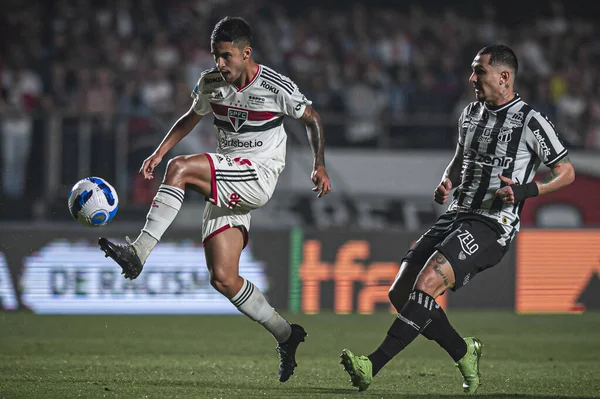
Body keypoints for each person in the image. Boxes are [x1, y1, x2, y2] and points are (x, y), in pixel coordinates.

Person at [99, 16, 331, 382]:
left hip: (257, 173)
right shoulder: (210, 83)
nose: (219, 64)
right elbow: (192, 116)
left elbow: (312, 118)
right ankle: (287, 335)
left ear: (246, 53)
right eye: (214, 56)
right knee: (223, 278)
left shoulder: (275, 86)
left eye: (225, 56)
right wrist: (158, 152)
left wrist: (319, 164)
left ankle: (139, 251)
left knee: (180, 168)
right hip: (228, 172)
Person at [340, 45, 575, 394]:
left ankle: (371, 365)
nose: (472, 78)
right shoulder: (470, 113)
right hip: (456, 213)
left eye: (479, 71)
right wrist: (447, 181)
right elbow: (459, 159)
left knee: (428, 282)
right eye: (473, 70)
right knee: (399, 291)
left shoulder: (531, 121)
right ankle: (464, 353)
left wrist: (526, 191)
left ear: (504, 77)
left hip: (493, 223)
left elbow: (566, 172)